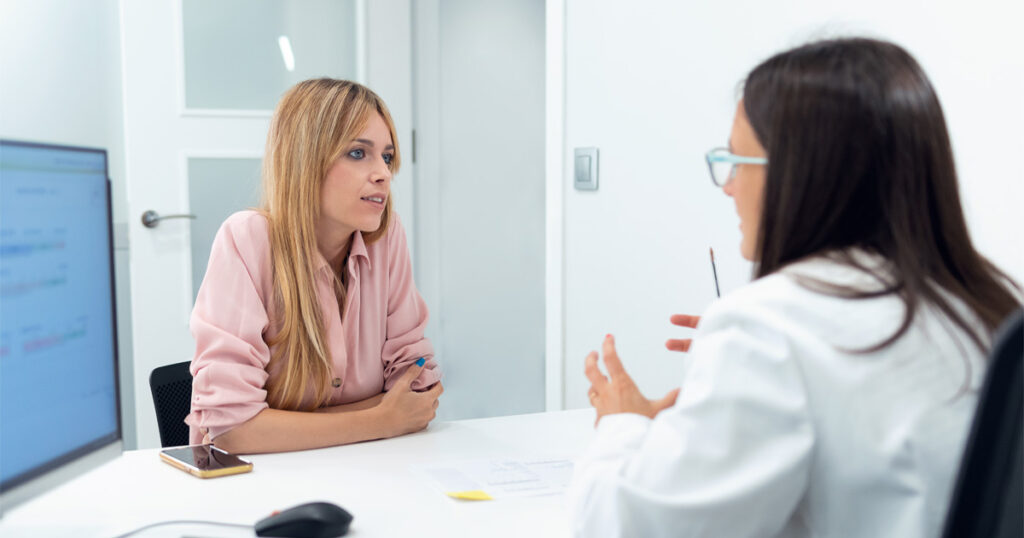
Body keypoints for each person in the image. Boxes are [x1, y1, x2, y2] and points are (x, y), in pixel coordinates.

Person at [569, 38, 1021, 537]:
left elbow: (626, 528)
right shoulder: (983, 306)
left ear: (800, 175)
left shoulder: (770, 331)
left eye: (737, 161)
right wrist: (727, 386)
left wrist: (622, 423)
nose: (727, 186)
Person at [185, 79, 443, 454]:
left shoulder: (386, 238)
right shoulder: (247, 240)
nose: (383, 174)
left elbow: (417, 392)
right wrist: (381, 419)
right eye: (358, 153)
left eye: (386, 157)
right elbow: (233, 431)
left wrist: (285, 425)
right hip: (261, 480)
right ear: (305, 160)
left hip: (366, 466)